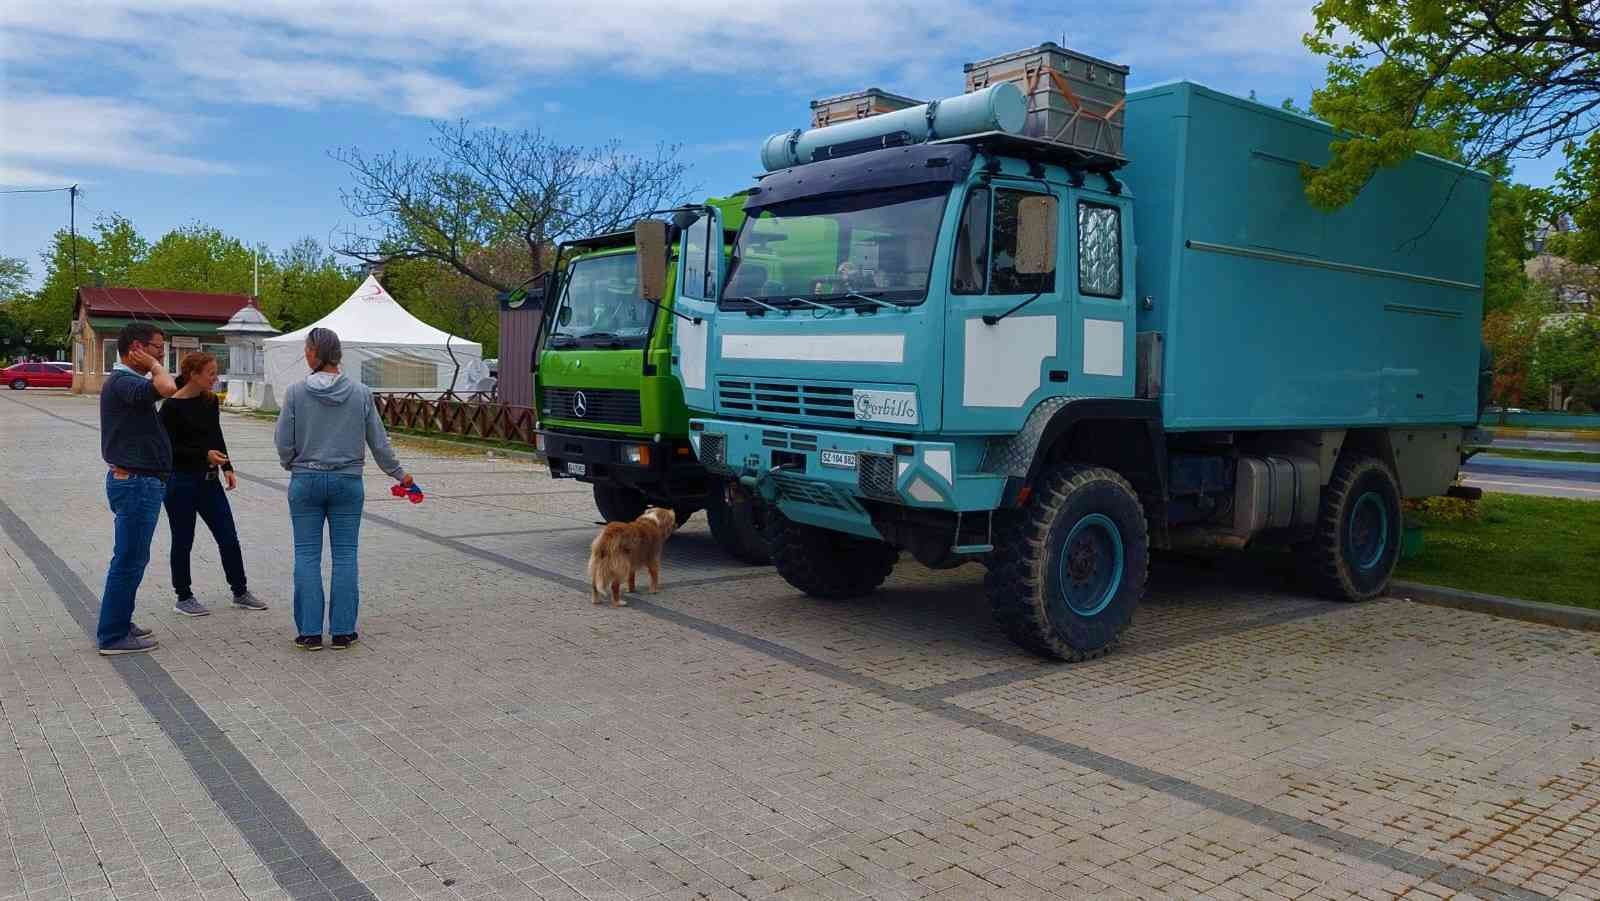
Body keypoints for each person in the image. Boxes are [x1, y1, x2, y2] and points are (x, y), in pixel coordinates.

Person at [273, 327, 412, 651]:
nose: (305, 354)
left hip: (305, 481)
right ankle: (343, 631)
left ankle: (309, 632)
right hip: (348, 482)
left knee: (307, 555)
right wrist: (399, 474)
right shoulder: (361, 392)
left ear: (314, 353)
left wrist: (291, 463)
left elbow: (283, 441)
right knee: (345, 556)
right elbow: (379, 441)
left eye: (307, 349)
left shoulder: (295, 392)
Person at [160, 352, 269, 617]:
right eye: (210, 373)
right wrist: (202, 455)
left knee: (228, 537)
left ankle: (240, 591)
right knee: (183, 540)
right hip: (180, 483)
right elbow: (168, 450)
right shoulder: (170, 408)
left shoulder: (209, 402)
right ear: (193, 375)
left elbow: (215, 435)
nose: (215, 378)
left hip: (209, 483)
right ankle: (183, 596)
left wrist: (227, 466)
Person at [96, 322, 178, 655]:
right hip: (135, 484)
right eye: (157, 347)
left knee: (133, 557)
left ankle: (119, 620)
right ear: (136, 349)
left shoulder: (127, 383)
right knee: (129, 559)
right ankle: (113, 635)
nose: (161, 353)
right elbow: (167, 388)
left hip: (140, 482)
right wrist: (156, 366)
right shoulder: (123, 382)